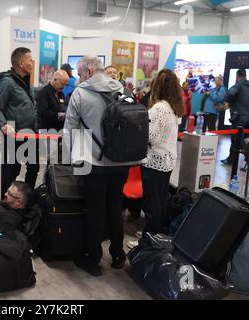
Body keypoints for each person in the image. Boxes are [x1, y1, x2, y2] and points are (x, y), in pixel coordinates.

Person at [63, 55, 141, 277]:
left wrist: (75, 160)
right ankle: (118, 256)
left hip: (93, 163)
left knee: (95, 211)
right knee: (115, 208)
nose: (78, 78)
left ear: (88, 71)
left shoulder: (80, 93)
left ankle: (93, 259)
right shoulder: (124, 91)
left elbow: (70, 130)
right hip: (121, 162)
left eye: (79, 74)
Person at [128, 69, 183, 249]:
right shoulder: (174, 108)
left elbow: (151, 137)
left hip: (154, 160)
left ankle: (147, 242)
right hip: (167, 160)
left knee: (152, 204)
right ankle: (155, 235)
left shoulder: (159, 108)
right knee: (159, 200)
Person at [0, 47, 39, 199]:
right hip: (13, 137)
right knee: (11, 173)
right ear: (21, 63)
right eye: (30, 60)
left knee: (33, 168)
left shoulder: (26, 82)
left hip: (30, 135)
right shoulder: (8, 83)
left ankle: (26, 200)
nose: (33, 62)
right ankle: (7, 203)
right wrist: (4, 125)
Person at [221, 68, 249, 165]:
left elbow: (230, 93)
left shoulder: (239, 85)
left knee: (237, 140)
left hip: (238, 117)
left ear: (237, 76)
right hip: (247, 117)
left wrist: (227, 101)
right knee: (236, 139)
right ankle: (231, 159)